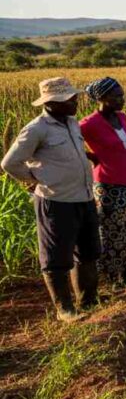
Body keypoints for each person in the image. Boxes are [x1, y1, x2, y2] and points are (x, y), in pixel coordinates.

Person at [2, 77, 99, 322]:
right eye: (70, 99)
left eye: (74, 98)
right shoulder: (37, 129)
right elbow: (10, 163)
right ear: (52, 103)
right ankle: (65, 309)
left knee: (87, 252)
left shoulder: (72, 123)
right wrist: (35, 181)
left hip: (84, 197)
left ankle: (88, 300)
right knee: (57, 258)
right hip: (56, 201)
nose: (75, 102)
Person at [79, 77, 126, 287]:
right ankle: (115, 276)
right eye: (117, 96)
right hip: (108, 185)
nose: (122, 99)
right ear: (102, 98)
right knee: (113, 231)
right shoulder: (89, 123)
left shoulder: (122, 117)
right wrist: (90, 157)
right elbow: (71, 142)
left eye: (122, 95)